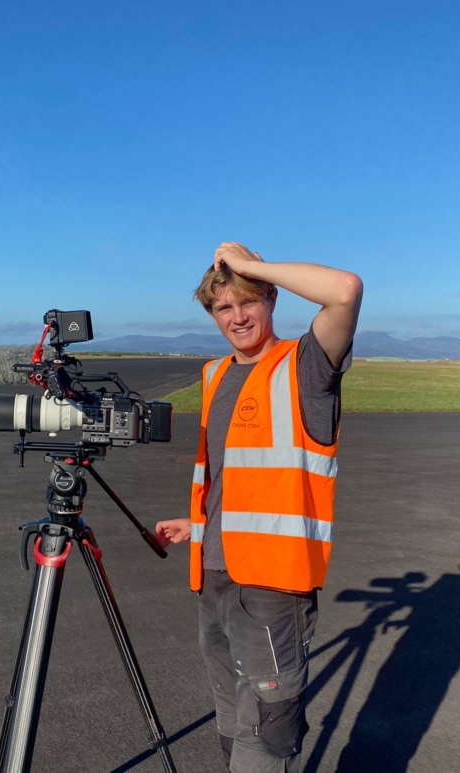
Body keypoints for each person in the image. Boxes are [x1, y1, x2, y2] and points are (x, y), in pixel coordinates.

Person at [155, 242, 363, 773]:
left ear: (271, 298)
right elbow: (237, 477)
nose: (238, 316)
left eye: (248, 300)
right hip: (215, 575)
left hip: (272, 586)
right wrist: (198, 523)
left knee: (266, 726)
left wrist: (249, 266)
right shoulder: (215, 374)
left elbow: (344, 291)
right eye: (224, 307)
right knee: (230, 718)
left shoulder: (304, 367)